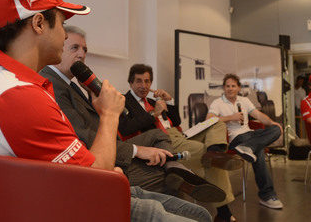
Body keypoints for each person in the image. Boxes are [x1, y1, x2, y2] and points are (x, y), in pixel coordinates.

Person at [0, 0, 212, 222]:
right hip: (80, 207)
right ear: (39, 23)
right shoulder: (19, 96)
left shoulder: (7, 85)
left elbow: (84, 167)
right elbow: (97, 180)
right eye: (62, 24)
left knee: (198, 213)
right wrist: (109, 115)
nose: (64, 36)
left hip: (69, 196)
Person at [40, 26, 222, 201]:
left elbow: (175, 120)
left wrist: (168, 102)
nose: (82, 54)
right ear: (59, 48)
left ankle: (177, 165)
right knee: (169, 174)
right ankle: (182, 173)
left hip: (149, 139)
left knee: (163, 141)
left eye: (85, 49)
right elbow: (97, 133)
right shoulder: (54, 84)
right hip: (101, 158)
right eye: (75, 48)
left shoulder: (73, 85)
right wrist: (138, 147)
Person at [120, 64, 244, 222]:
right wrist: (153, 113)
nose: (144, 86)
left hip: (180, 134)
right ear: (130, 82)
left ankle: (215, 152)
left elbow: (176, 121)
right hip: (162, 140)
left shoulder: (152, 100)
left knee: (216, 123)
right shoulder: (124, 101)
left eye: (147, 81)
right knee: (203, 152)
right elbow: (125, 129)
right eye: (139, 81)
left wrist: (169, 100)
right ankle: (224, 213)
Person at [207, 73, 284, 210]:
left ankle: (248, 148)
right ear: (224, 88)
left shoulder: (244, 101)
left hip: (250, 136)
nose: (230, 89)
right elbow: (209, 120)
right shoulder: (217, 103)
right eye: (227, 86)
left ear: (238, 88)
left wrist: (273, 123)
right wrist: (231, 117)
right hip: (236, 139)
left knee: (276, 130)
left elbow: (259, 115)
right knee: (258, 150)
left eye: (233, 86)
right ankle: (267, 195)